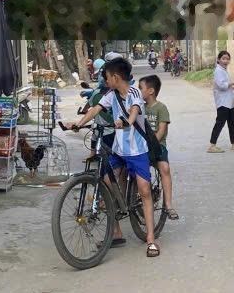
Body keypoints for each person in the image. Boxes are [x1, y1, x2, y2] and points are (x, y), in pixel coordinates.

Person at [73, 58, 160, 257]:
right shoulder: (111, 95)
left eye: (106, 77)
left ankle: (151, 239)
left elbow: (134, 110)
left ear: (115, 77)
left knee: (144, 191)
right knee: (106, 182)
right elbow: (96, 109)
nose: (105, 81)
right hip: (119, 149)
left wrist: (127, 121)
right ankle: (116, 232)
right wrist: (79, 123)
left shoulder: (135, 92)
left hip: (137, 150)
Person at [139, 74, 177, 220]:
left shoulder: (161, 108)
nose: (138, 91)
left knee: (165, 168)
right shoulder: (139, 108)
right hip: (140, 147)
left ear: (151, 91)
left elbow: (161, 130)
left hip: (157, 145)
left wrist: (151, 144)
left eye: (141, 88)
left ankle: (169, 205)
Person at [208, 50, 234, 152]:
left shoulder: (223, 70)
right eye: (223, 59)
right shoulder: (218, 71)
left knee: (232, 122)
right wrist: (232, 84)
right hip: (223, 103)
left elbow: (226, 85)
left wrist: (233, 87)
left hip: (229, 102)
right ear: (218, 60)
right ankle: (212, 145)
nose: (226, 61)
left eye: (228, 59)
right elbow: (221, 85)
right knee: (220, 123)